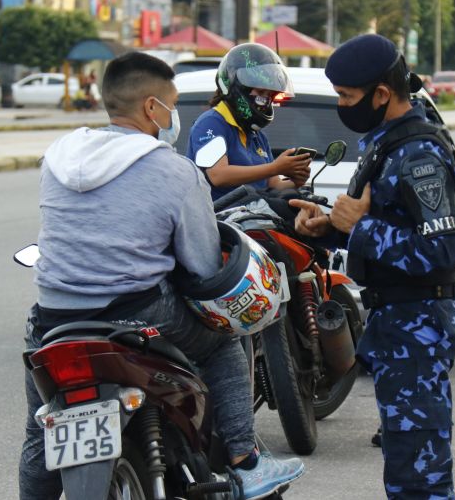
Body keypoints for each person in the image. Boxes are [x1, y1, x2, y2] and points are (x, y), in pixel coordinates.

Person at [18, 52, 304, 500]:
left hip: (53, 317)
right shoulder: (173, 169)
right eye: (172, 105)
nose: (175, 118)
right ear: (152, 108)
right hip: (137, 311)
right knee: (224, 343)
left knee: (41, 435)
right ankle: (245, 462)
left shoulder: (58, 157)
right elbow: (202, 264)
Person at [290, 34, 455, 499]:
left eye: (347, 97)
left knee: (420, 478)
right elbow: (385, 226)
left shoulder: (419, 155)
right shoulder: (385, 144)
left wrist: (360, 228)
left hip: (419, 326)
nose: (343, 105)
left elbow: (440, 253)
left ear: (381, 93)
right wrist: (327, 228)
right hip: (396, 324)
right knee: (405, 469)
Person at [186, 43, 311, 200]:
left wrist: (296, 181)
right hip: (217, 220)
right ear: (238, 87)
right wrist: (275, 167)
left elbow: (274, 185)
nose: (265, 100)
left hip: (255, 218)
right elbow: (218, 175)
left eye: (270, 95)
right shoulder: (211, 123)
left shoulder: (256, 134)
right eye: (260, 92)